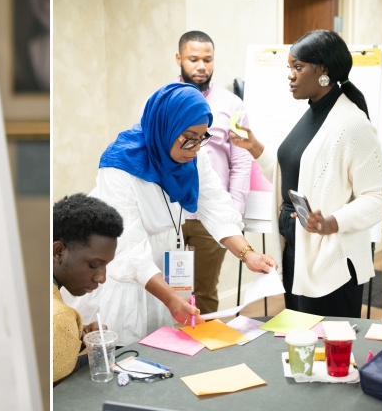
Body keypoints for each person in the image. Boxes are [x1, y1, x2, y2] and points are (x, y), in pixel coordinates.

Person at [66, 82, 276, 344]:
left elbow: (216, 206)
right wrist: (169, 297)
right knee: (129, 353)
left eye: (202, 138)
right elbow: (130, 250)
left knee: (162, 351)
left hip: (159, 270)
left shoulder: (192, 156)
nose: (197, 148)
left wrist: (248, 254)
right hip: (124, 275)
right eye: (189, 137)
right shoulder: (119, 166)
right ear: (167, 128)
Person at [276, 29, 382, 318]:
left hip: (331, 259)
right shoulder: (312, 111)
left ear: (323, 70)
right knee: (300, 339)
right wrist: (255, 148)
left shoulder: (352, 123)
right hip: (297, 249)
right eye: (290, 67)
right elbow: (298, 167)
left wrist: (332, 223)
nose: (291, 75)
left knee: (329, 348)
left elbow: (377, 197)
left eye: (298, 67)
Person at [174, 31, 253, 315]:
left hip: (211, 216)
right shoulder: (163, 101)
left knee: (205, 291)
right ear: (179, 59)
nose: (201, 66)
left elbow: (242, 161)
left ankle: (204, 353)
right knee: (172, 290)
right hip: (171, 214)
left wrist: (233, 211)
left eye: (207, 59)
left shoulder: (232, 105)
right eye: (193, 59)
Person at [51, 194, 123, 384]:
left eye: (106, 265)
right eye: (93, 265)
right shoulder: (58, 317)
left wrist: (79, 335)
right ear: (58, 252)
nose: (102, 277)